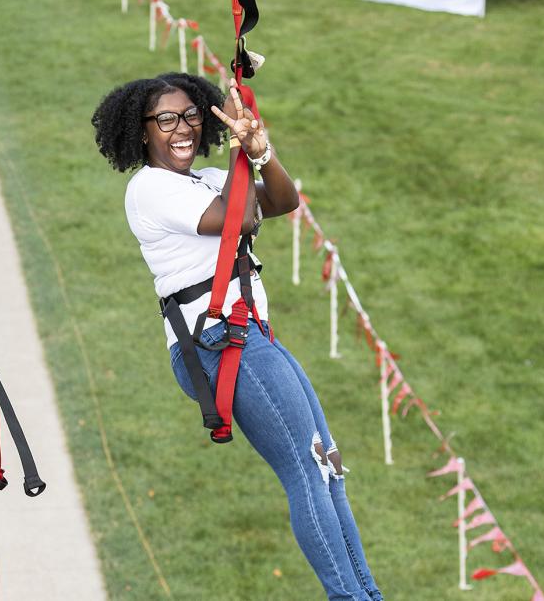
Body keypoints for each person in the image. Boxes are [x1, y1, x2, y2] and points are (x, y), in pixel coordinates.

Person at [91, 73, 384, 601]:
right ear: (141, 132)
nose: (181, 128)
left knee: (326, 465)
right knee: (305, 472)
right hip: (220, 343)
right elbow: (239, 218)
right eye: (165, 120)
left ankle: (366, 593)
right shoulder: (149, 188)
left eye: (190, 115)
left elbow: (282, 200)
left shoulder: (202, 179)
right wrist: (236, 153)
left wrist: (259, 150)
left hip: (250, 338)